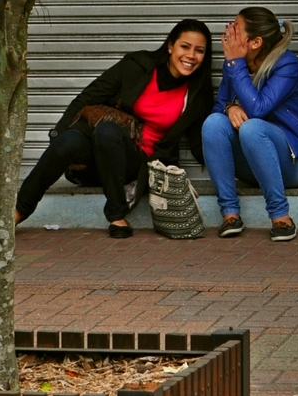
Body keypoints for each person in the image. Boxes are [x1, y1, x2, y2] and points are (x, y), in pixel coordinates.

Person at [16, 20, 214, 239]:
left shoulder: (196, 93)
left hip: (138, 164)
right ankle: (18, 211)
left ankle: (116, 215)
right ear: (170, 46)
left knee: (107, 132)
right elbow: (88, 97)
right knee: (70, 140)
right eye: (185, 47)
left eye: (199, 50)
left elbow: (201, 142)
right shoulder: (136, 66)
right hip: (100, 156)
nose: (191, 55)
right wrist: (56, 138)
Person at [203, 7, 298, 242]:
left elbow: (259, 108)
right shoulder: (235, 65)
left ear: (256, 42)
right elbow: (219, 110)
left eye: (236, 29)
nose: (229, 34)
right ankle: (230, 214)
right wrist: (229, 107)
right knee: (213, 123)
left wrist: (235, 66)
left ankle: (281, 217)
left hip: (297, 164)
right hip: (255, 165)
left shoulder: (287, 64)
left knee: (252, 127)